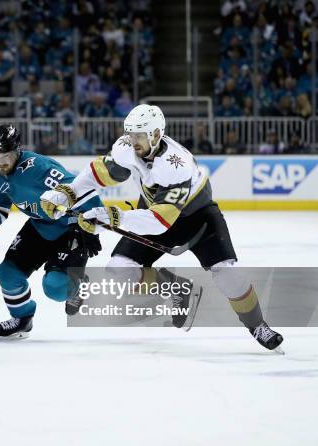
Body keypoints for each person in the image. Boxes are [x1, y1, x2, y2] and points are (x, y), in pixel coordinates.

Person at [40, 104, 284, 351]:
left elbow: (161, 222)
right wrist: (67, 193)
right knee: (119, 270)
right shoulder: (127, 148)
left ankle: (258, 325)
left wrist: (112, 218)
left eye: (139, 135)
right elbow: (99, 173)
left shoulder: (176, 164)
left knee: (229, 276)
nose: (132, 141)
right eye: (130, 134)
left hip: (198, 218)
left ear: (156, 134)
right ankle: (175, 286)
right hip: (154, 212)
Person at [0, 124, 102, 340]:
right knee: (8, 274)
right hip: (39, 226)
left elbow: (80, 189)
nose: (0, 164)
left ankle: (79, 285)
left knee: (55, 288)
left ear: (17, 151)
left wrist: (91, 226)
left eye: (6, 157)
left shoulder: (40, 168)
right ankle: (22, 319)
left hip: (70, 228)